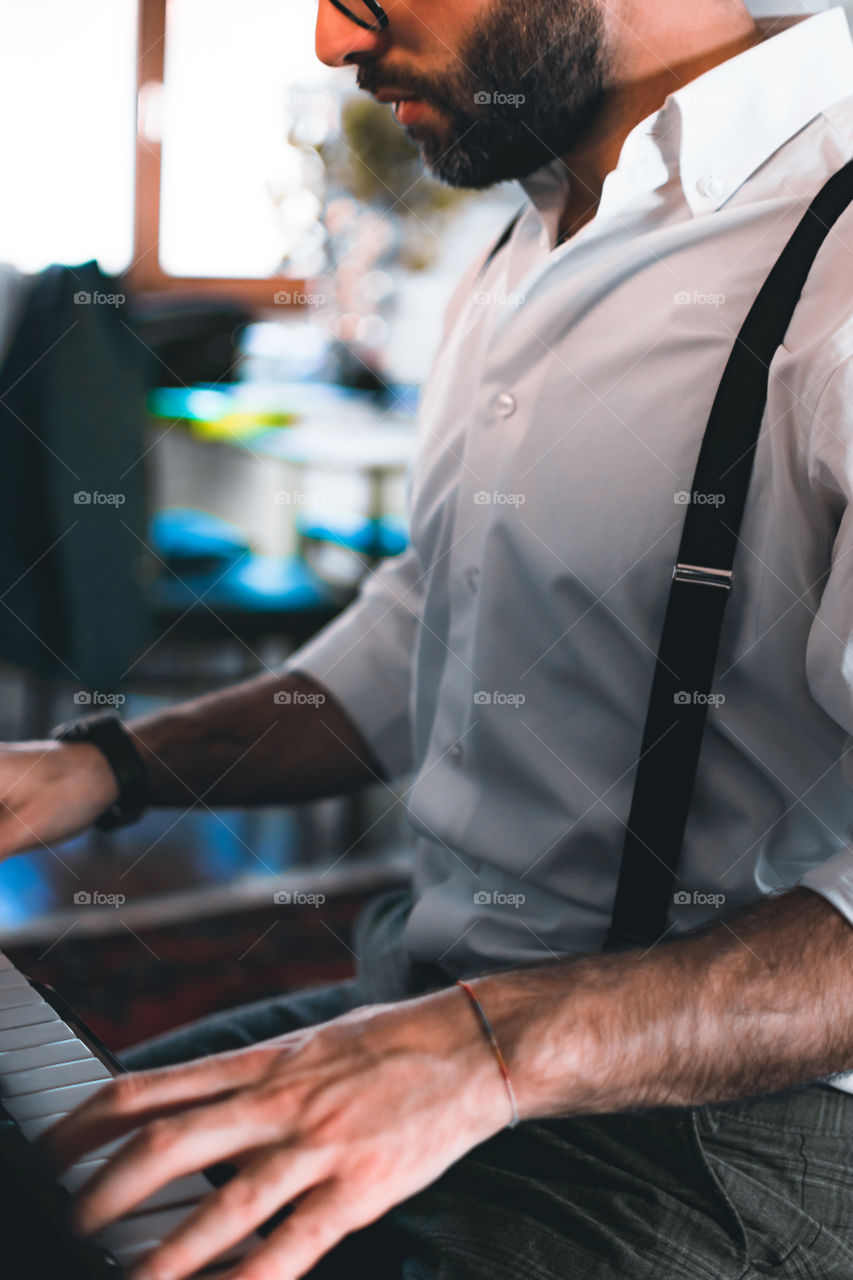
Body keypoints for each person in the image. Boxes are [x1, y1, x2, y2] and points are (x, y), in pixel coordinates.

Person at [3, 1, 853, 1276]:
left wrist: (487, 1048)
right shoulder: (525, 235)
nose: (330, 41)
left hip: (732, 1129)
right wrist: (99, 770)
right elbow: (426, 620)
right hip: (417, 998)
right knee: (30, 1189)